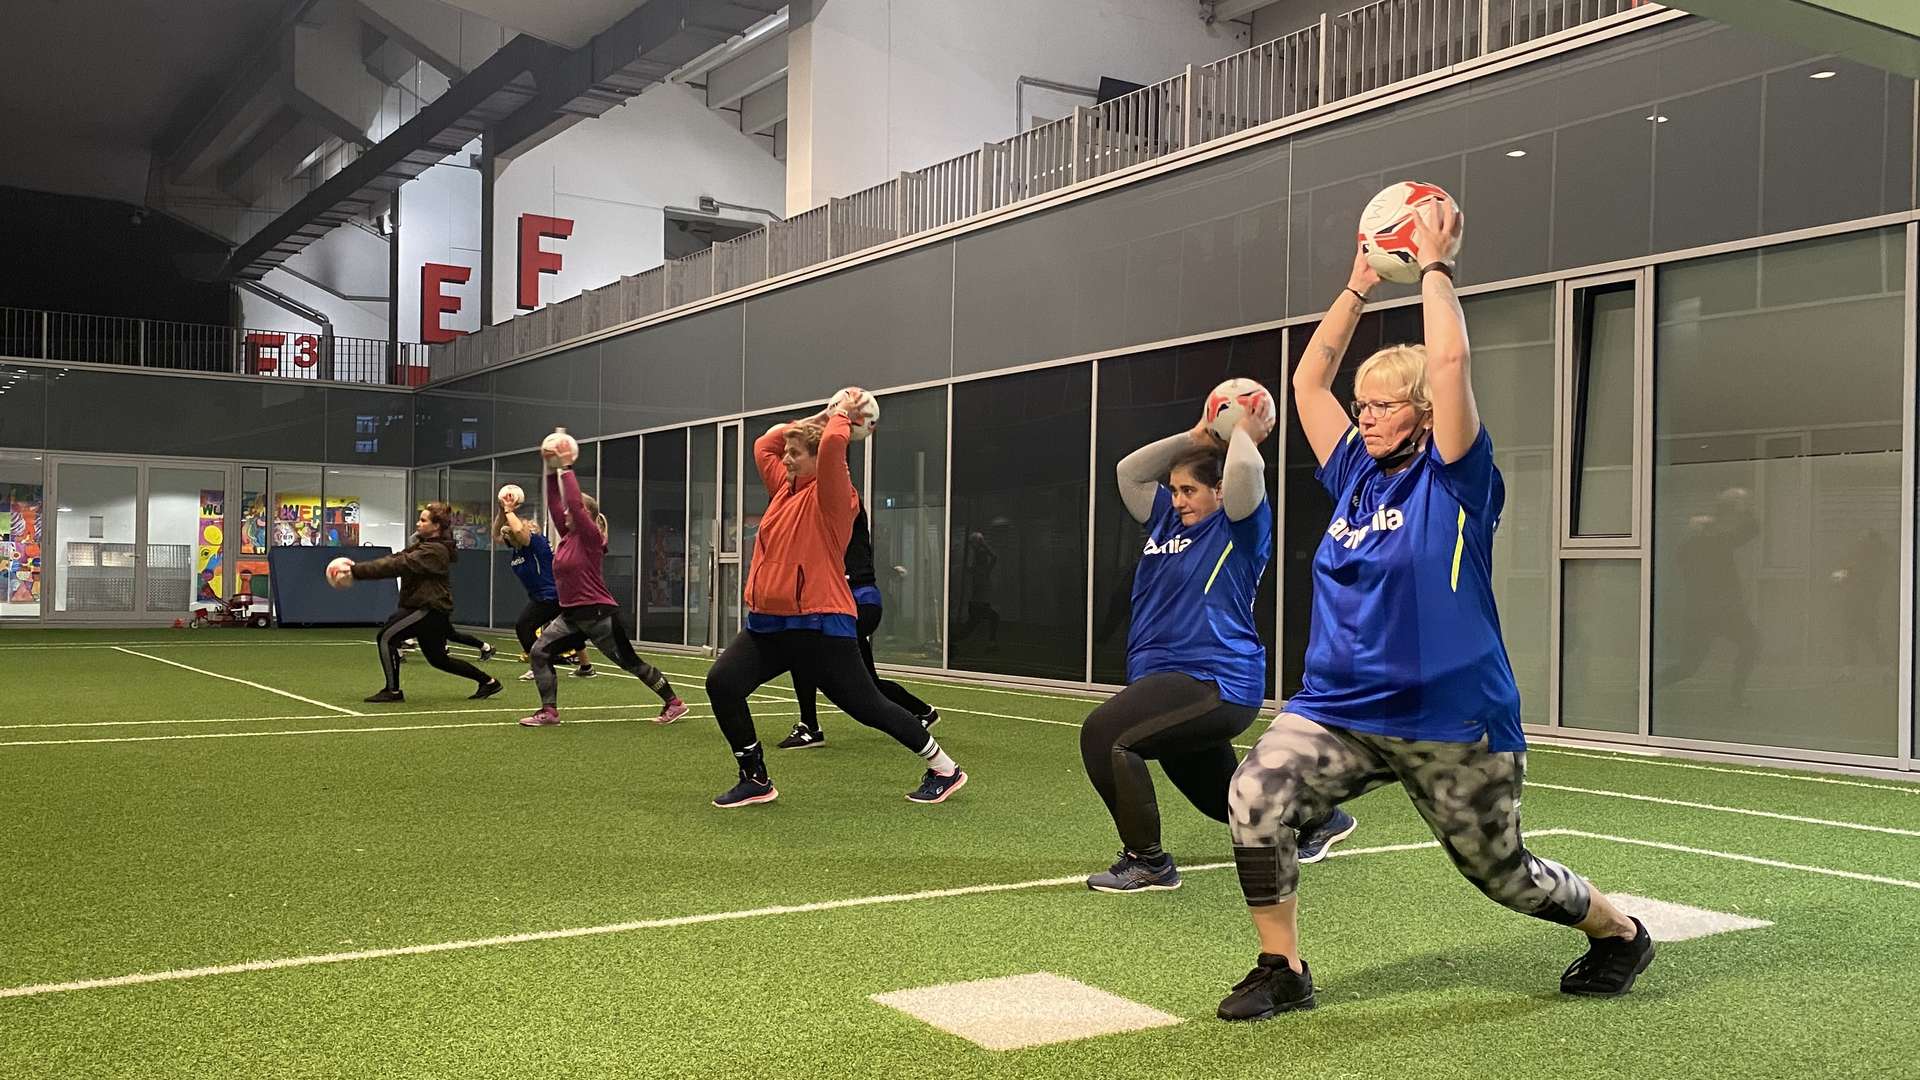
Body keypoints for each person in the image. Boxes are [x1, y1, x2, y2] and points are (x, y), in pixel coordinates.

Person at [1218, 205, 1653, 1022]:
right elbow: (1307, 382)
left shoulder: (1456, 475)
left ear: (1422, 411)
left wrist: (1435, 269)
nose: (1366, 414)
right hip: (1340, 709)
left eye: (1384, 403)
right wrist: (1357, 281)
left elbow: (1450, 363)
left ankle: (1620, 933)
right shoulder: (1353, 469)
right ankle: (1282, 967)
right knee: (1256, 798)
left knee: (1504, 875)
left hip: (1452, 718)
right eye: (1365, 403)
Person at [1081, 408, 1357, 894]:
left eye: (1190, 490)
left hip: (1213, 678)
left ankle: (1148, 863)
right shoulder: (1165, 521)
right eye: (1175, 490)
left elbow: (1247, 471)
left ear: (1220, 492)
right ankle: (1320, 817)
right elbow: (1129, 471)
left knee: (1104, 735)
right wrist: (1195, 435)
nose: (1179, 499)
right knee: (1226, 801)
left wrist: (1241, 432)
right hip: (1165, 679)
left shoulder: (1239, 528)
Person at [704, 393, 968, 807]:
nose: (786, 459)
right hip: (770, 624)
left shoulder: (833, 497)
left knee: (867, 706)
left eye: (795, 454)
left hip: (820, 624)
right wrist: (821, 415)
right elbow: (764, 444)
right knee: (722, 683)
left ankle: (944, 768)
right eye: (788, 455)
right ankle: (754, 778)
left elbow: (830, 447)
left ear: (816, 460)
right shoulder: (784, 491)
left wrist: (841, 418)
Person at [518, 448, 685, 727]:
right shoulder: (569, 535)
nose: (565, 514)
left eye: (572, 512)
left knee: (631, 663)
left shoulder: (589, 537)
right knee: (539, 651)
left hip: (599, 616)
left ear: (583, 516)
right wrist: (549, 469)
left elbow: (571, 499)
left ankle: (674, 702)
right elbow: (556, 502)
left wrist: (567, 466)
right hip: (571, 615)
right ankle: (549, 712)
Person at [779, 495, 939, 749]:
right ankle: (923, 712)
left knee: (805, 650)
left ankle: (810, 726)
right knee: (868, 684)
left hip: (860, 604)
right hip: (839, 605)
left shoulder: (843, 500)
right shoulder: (813, 516)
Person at [344, 501, 503, 704]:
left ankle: (392, 691)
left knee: (386, 637)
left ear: (436, 526)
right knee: (438, 659)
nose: (418, 523)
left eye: (423, 520)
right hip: (432, 609)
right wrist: (356, 568)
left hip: (427, 608)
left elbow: (399, 564)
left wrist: (356, 571)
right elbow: (398, 557)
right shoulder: (424, 546)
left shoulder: (434, 551)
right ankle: (488, 682)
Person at [492, 493, 595, 682]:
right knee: (572, 628)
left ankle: (538, 666)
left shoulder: (534, 542)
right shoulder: (518, 548)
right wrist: (501, 512)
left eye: (513, 530)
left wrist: (509, 510)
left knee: (524, 626)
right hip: (545, 596)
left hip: (551, 595)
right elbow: (497, 535)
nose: (508, 534)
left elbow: (520, 532)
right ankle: (586, 667)